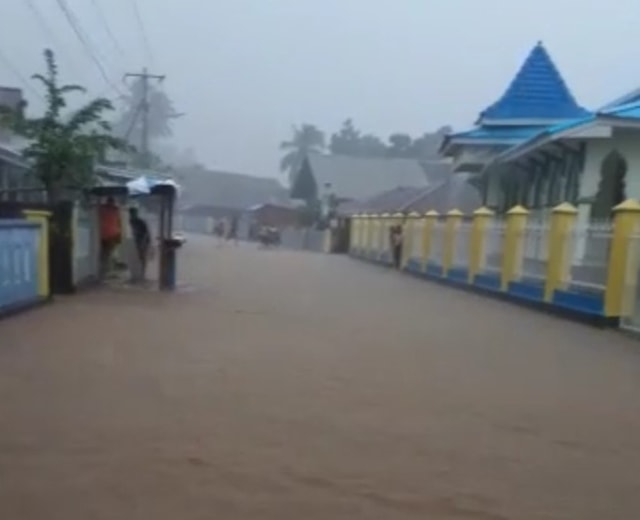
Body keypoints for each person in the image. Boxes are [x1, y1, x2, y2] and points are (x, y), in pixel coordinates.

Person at [99, 196, 122, 279]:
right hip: (110, 234)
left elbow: (119, 222)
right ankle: (107, 271)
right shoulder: (115, 210)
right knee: (108, 253)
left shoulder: (102, 209)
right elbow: (119, 223)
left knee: (106, 254)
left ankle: (106, 271)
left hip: (106, 234)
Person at [128, 207, 151, 283]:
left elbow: (146, 234)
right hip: (135, 242)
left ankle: (142, 274)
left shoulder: (141, 222)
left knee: (142, 257)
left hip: (144, 241)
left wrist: (142, 244)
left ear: (136, 214)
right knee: (134, 258)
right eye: (131, 214)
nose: (132, 215)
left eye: (134, 213)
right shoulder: (130, 221)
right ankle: (135, 274)